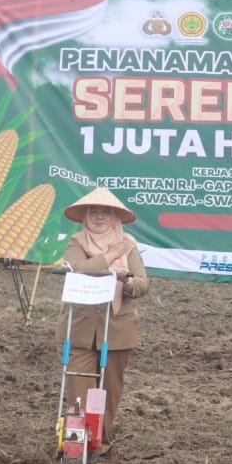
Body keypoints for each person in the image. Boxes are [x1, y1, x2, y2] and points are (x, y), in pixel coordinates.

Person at [56, 187, 148, 450]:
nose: (99, 217)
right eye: (93, 212)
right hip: (80, 327)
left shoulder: (129, 244)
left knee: (109, 389)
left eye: (105, 213)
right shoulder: (77, 242)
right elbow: (78, 269)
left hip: (117, 328)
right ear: (85, 216)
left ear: (114, 217)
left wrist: (126, 282)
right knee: (78, 389)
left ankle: (101, 442)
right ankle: (77, 441)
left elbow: (142, 283)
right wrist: (109, 256)